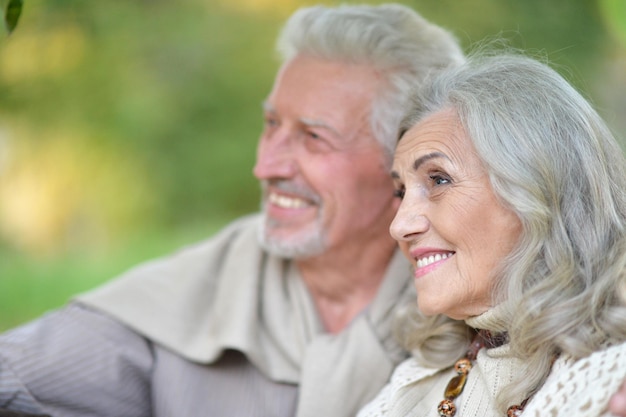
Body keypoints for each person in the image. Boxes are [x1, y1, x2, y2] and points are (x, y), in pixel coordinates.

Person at [0, 4, 466, 417]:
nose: (264, 166)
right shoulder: (185, 295)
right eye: (271, 124)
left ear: (403, 165)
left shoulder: (479, 302)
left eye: (313, 137)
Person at [356, 52, 626, 417]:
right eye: (401, 192)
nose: (400, 226)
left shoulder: (610, 381)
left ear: (538, 189)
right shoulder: (411, 387)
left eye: (438, 180)